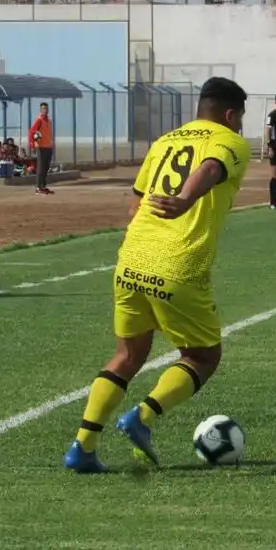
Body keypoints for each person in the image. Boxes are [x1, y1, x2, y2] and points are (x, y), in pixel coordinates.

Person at [63, 77, 252, 472]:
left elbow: (134, 207)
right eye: (240, 119)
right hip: (178, 263)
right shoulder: (230, 141)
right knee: (202, 355)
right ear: (231, 114)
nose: (240, 127)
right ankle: (143, 417)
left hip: (131, 259)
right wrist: (185, 199)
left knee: (127, 355)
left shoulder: (164, 142)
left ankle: (82, 447)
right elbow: (211, 167)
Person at [28, 102, 54, 195]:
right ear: (40, 110)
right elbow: (31, 132)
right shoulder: (39, 120)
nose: (45, 110)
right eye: (43, 108)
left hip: (48, 147)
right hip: (41, 147)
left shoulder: (49, 121)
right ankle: (38, 188)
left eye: (46, 108)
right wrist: (32, 145)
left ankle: (43, 186)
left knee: (46, 168)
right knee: (40, 168)